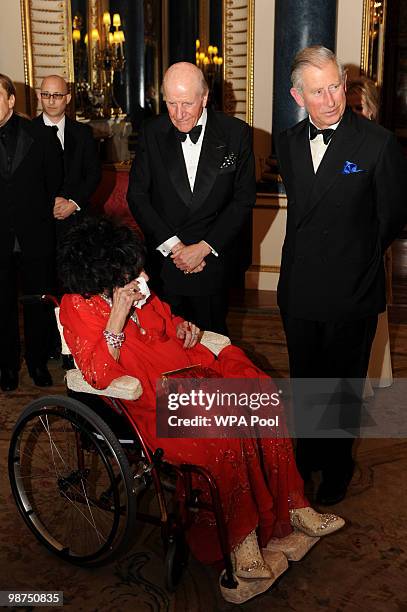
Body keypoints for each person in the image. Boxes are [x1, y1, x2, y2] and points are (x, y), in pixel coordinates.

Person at [58, 216, 344, 604]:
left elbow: (168, 321)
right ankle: (241, 539)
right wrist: (118, 314)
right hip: (148, 401)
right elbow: (97, 372)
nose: (143, 275)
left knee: (261, 397)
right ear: (104, 273)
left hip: (187, 370)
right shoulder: (79, 306)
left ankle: (293, 506)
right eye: (132, 270)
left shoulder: (142, 292)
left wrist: (184, 328)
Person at [276, 46, 407, 506]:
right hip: (299, 289)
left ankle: (336, 465)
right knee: (307, 380)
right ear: (298, 95)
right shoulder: (287, 142)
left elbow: (390, 218)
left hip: (352, 289)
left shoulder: (377, 143)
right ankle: (307, 454)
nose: (331, 99)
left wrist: (357, 261)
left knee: (343, 385)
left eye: (337, 86)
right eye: (318, 91)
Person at [127, 62, 256, 336]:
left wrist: (204, 248)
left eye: (186, 103)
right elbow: (137, 195)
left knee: (213, 345)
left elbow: (243, 199)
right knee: (166, 346)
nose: (179, 113)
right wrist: (176, 247)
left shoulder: (236, 133)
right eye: (171, 104)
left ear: (205, 98)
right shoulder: (152, 132)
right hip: (165, 263)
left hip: (213, 263)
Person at [0, 73, 63, 391]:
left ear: (10, 100)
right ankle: (7, 366)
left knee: (38, 303)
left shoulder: (41, 136)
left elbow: (53, 183)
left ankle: (37, 362)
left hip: (35, 235)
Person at [346, 77, 393, 388]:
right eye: (350, 109)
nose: (355, 113)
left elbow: (392, 207)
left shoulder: (382, 145)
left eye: (360, 107)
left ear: (373, 109)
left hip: (370, 250)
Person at [34, 74, 101, 238]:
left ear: (68, 98)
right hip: (39, 221)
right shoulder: (27, 132)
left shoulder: (83, 133)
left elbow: (94, 174)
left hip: (77, 220)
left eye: (57, 95)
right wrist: (48, 204)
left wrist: (73, 203)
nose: (51, 101)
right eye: (46, 95)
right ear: (39, 96)